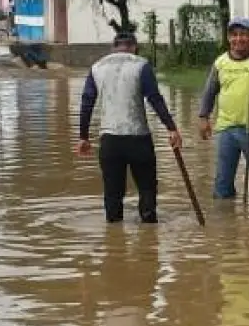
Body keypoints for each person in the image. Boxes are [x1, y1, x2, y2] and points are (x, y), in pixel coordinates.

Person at [77, 31, 182, 223]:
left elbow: (87, 102)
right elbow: (154, 98)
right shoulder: (141, 65)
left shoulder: (97, 67)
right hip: (138, 138)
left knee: (112, 193)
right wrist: (171, 127)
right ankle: (150, 235)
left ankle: (114, 239)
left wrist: (83, 137)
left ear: (113, 47)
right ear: (134, 47)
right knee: (147, 189)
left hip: (110, 140)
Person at [197, 17, 249, 200]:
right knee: (222, 184)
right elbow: (210, 91)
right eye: (234, 35)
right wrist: (203, 117)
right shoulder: (220, 63)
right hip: (226, 128)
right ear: (228, 38)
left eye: (243, 35)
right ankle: (225, 222)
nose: (238, 39)